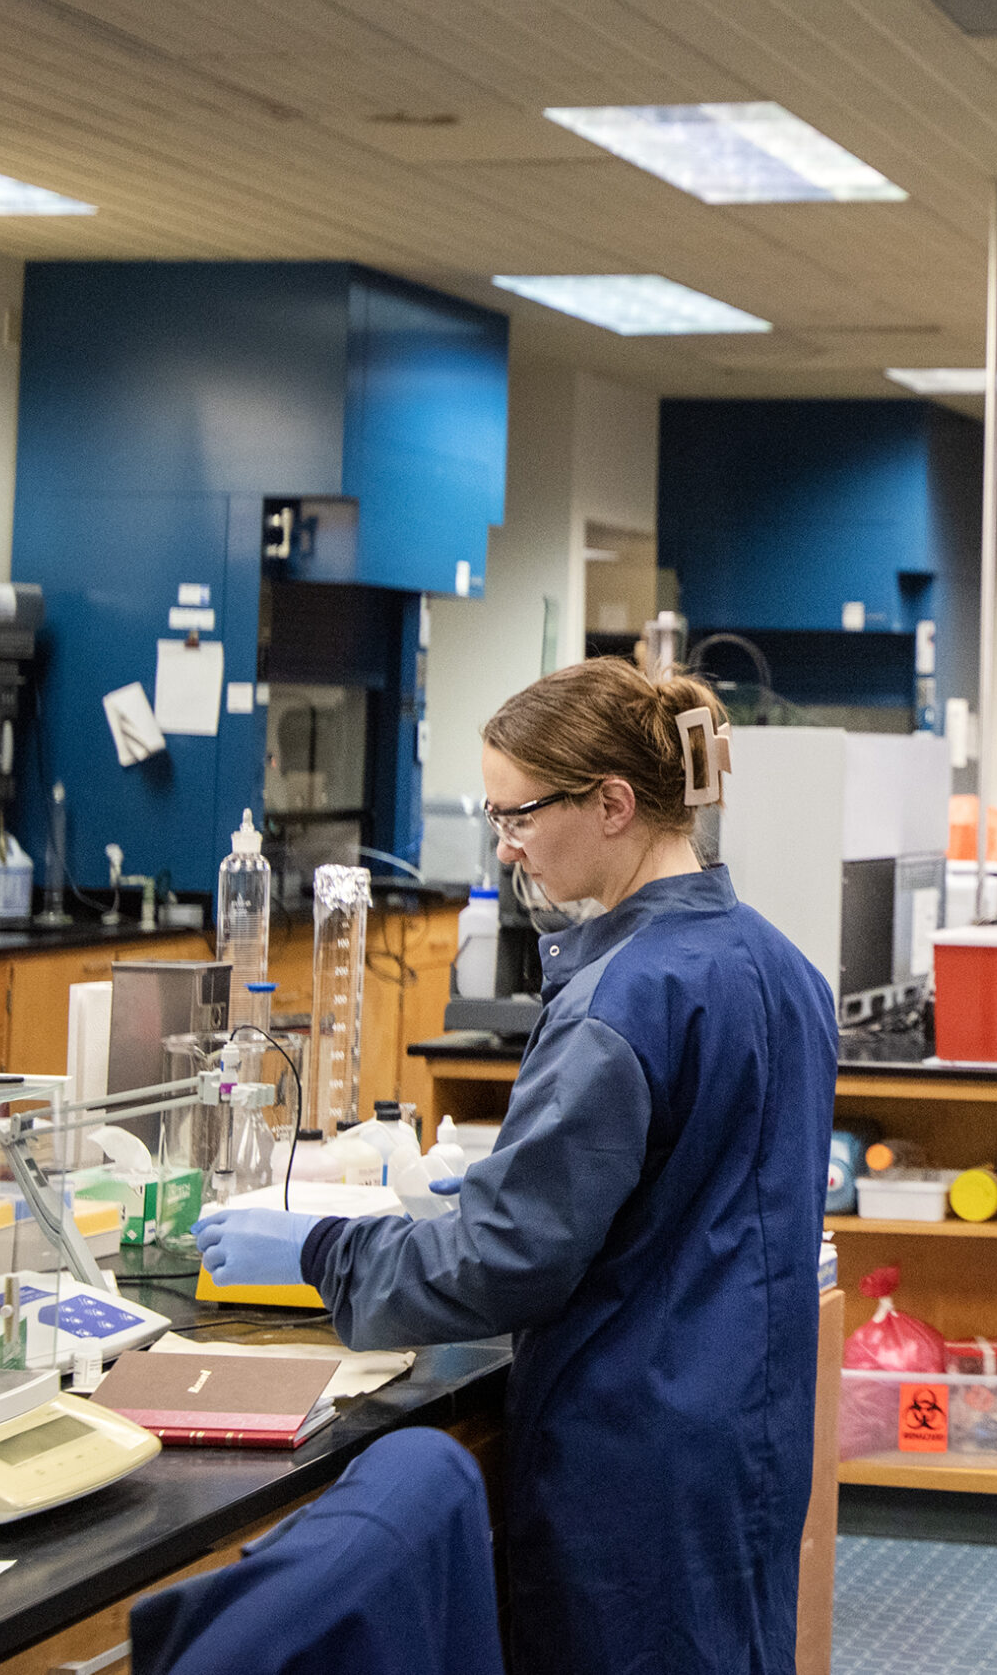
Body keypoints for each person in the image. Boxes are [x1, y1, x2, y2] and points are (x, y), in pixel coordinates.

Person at [198, 659, 836, 1675]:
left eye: (519, 814)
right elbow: (705, 1192)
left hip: (630, 1450)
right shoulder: (782, 965)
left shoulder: (620, 1001)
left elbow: (503, 1263)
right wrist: (529, 1175)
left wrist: (323, 1249)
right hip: (739, 1432)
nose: (504, 845)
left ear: (613, 804)